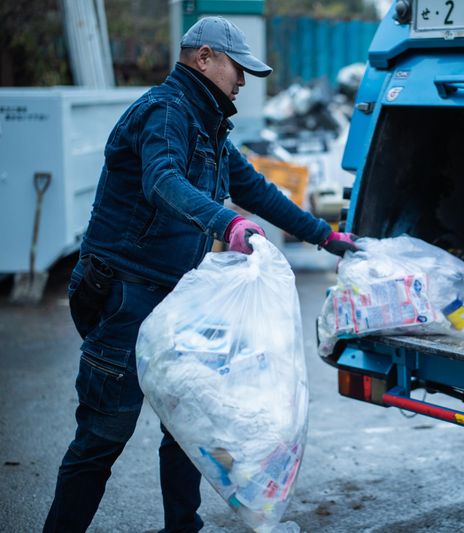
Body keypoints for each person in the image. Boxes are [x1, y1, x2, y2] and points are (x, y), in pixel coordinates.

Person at [43, 16, 357, 533]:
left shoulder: (207, 122)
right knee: (103, 436)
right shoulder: (166, 112)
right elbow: (161, 180)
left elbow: (256, 191)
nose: (243, 82)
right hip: (126, 295)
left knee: (187, 426)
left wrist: (326, 237)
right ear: (204, 57)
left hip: (175, 302)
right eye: (238, 69)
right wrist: (226, 223)